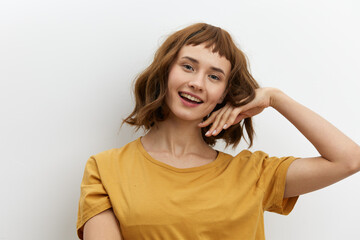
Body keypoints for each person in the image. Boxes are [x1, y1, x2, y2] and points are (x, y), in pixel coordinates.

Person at [76, 23, 360, 240]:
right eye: (188, 67)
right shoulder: (106, 168)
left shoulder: (253, 174)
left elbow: (348, 160)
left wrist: (275, 98)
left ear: (225, 94)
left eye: (214, 76)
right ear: (165, 72)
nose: (197, 83)